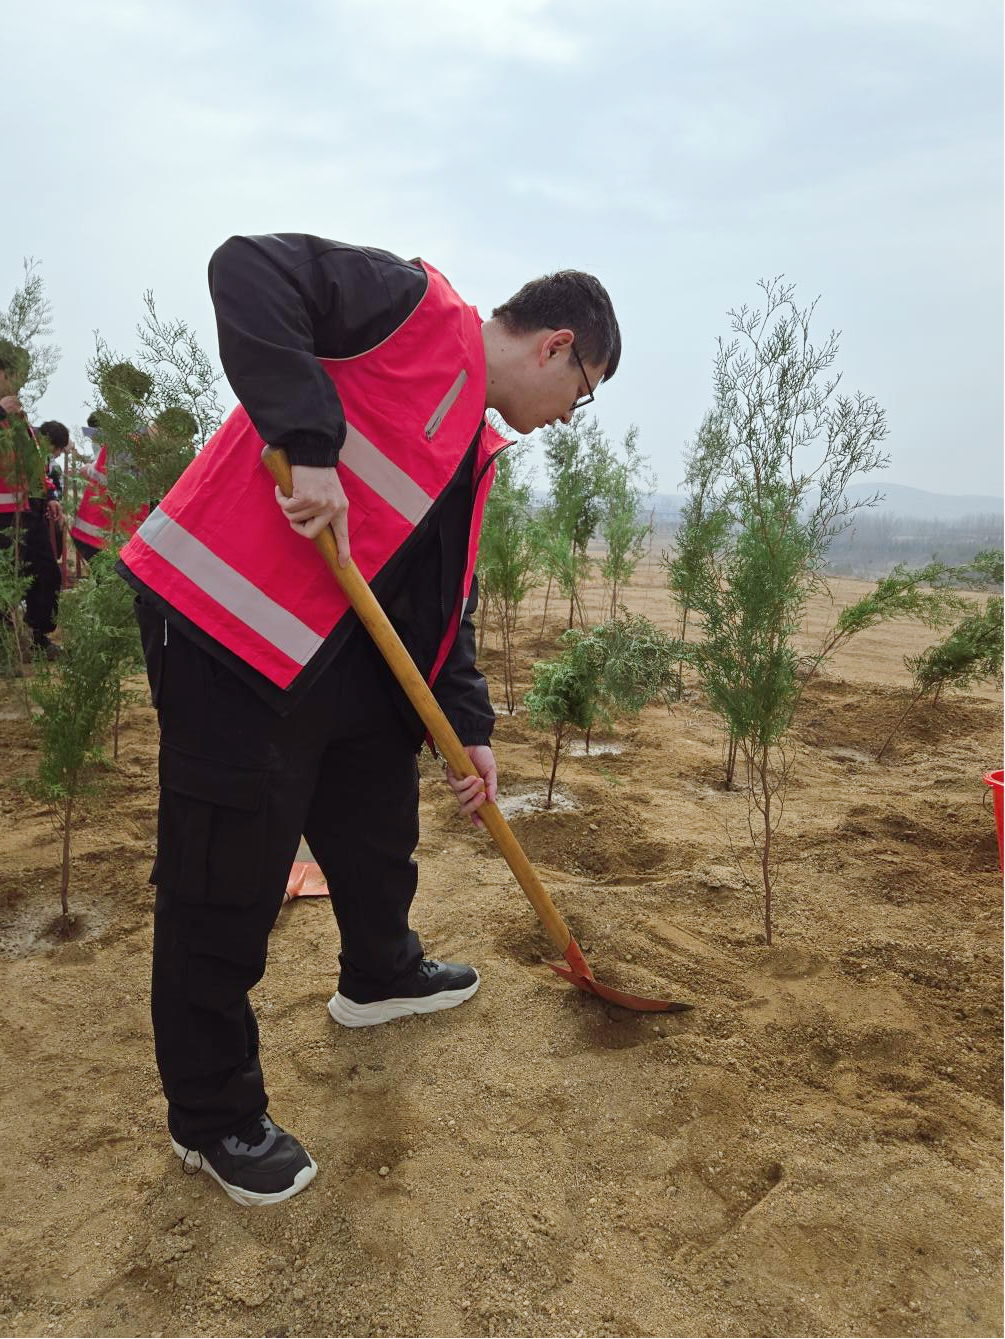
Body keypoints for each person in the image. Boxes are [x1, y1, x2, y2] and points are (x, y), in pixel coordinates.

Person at [117, 232, 621, 1208]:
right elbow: (245, 270)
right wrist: (309, 448)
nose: (570, 415)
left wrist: (463, 723)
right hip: (228, 631)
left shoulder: (468, 449)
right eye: (584, 390)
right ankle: (213, 1116)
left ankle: (380, 974)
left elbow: (439, 606)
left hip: (332, 653)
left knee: (375, 811)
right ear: (558, 346)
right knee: (225, 879)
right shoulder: (409, 307)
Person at [0, 347, 62, 659]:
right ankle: (5, 650)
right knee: (3, 583)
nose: (17, 383)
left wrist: (49, 495)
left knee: (47, 574)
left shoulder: (18, 415)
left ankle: (38, 639)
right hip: (1, 517)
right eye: (12, 375)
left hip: (28, 512)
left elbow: (33, 463)